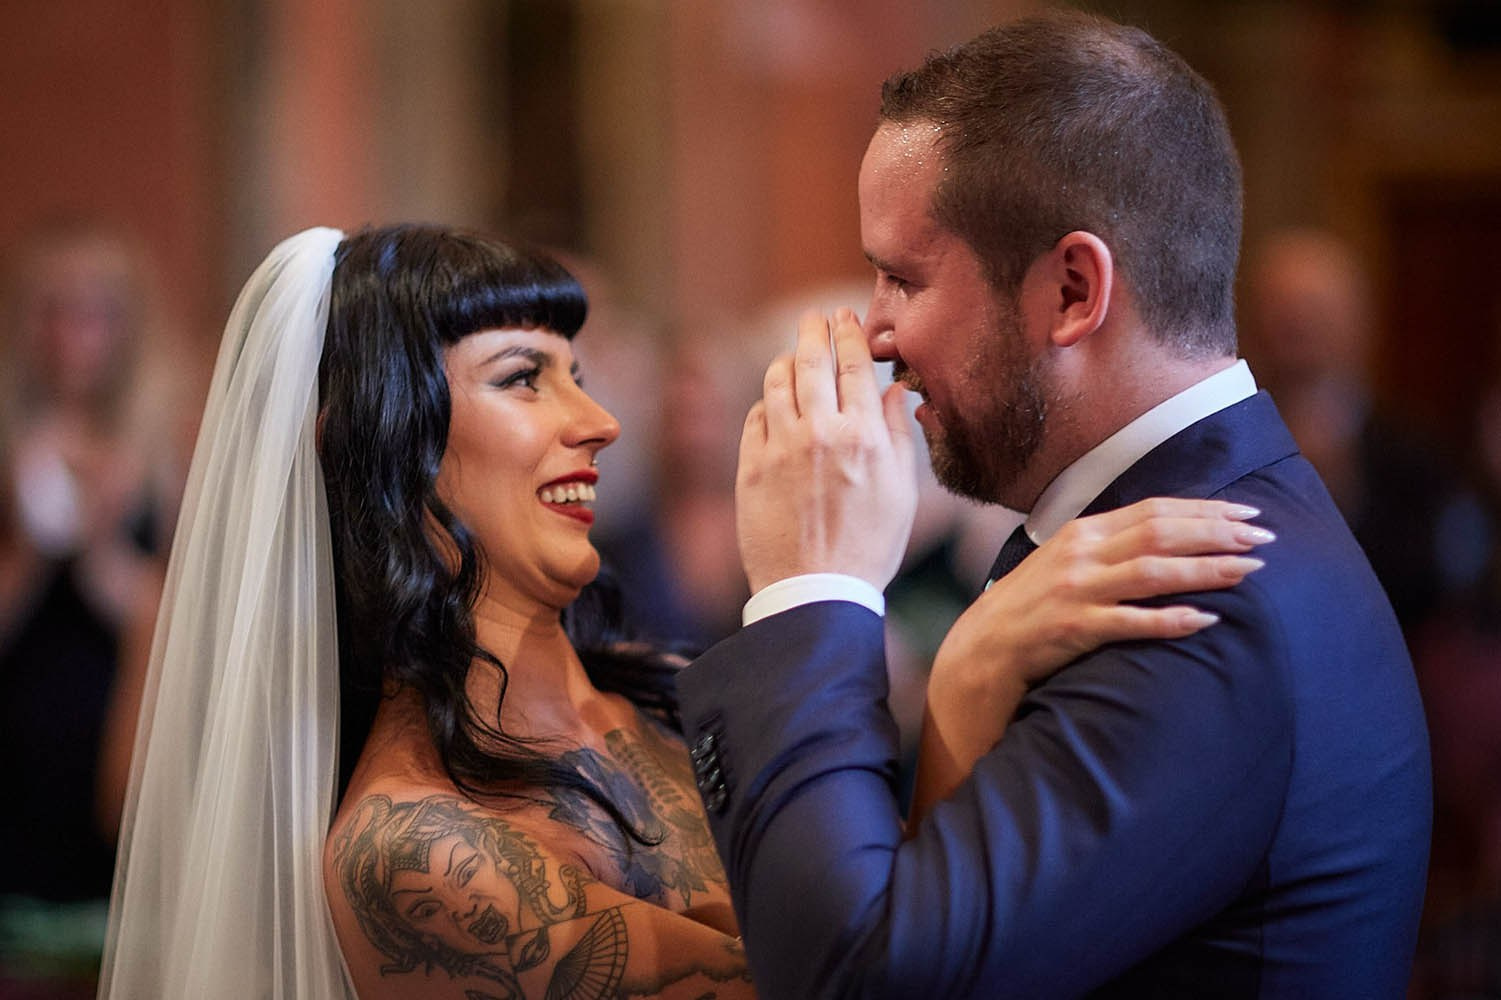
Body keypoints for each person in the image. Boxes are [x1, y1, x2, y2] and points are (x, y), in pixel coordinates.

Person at [97, 223, 1260, 999]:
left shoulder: (657, 694)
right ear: (387, 450)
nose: (597, 423)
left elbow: (880, 911)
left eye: (582, 375)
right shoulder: (414, 849)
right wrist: (964, 677)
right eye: (522, 377)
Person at [675, 10, 1432, 998]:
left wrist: (811, 588)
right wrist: (961, 682)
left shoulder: (1199, 600)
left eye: (901, 276)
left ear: (1072, 290)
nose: (873, 332)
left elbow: (855, 974)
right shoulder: (1157, 525)